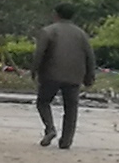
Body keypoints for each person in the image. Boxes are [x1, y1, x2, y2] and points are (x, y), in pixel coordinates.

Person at [34, 8, 97, 151]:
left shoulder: (48, 31)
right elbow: (90, 56)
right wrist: (89, 75)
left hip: (51, 75)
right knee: (71, 108)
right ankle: (66, 140)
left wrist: (35, 70)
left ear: (56, 14)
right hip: (74, 76)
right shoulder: (81, 34)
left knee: (43, 102)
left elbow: (39, 53)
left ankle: (50, 128)